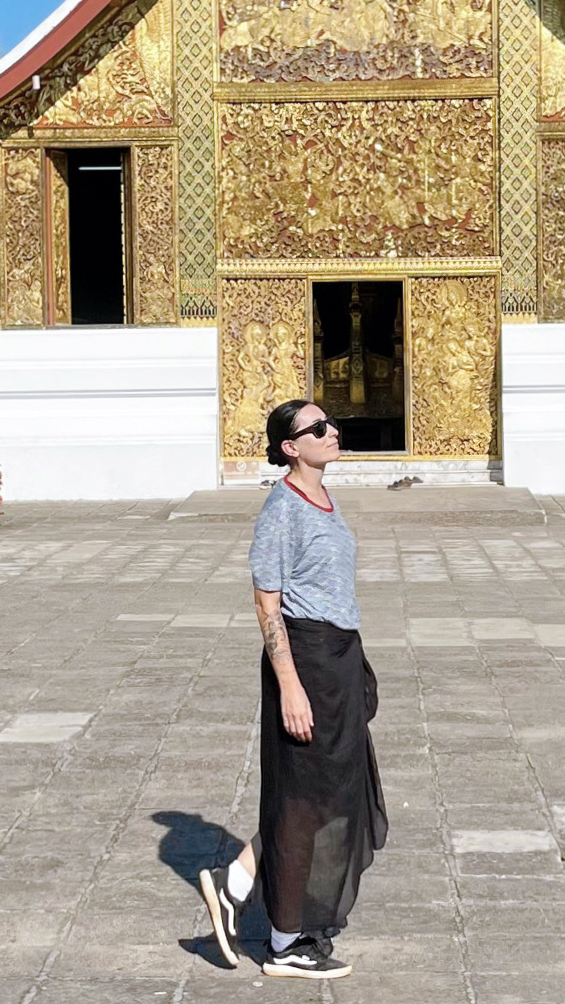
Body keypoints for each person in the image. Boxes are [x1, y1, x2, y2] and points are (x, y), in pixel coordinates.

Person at [198, 400, 387, 978]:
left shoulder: (323, 499)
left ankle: (236, 883)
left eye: (330, 424)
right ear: (290, 447)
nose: (332, 432)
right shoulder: (282, 508)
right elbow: (266, 599)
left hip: (337, 658)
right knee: (309, 794)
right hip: (304, 658)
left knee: (329, 790)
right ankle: (283, 942)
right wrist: (290, 686)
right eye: (317, 429)